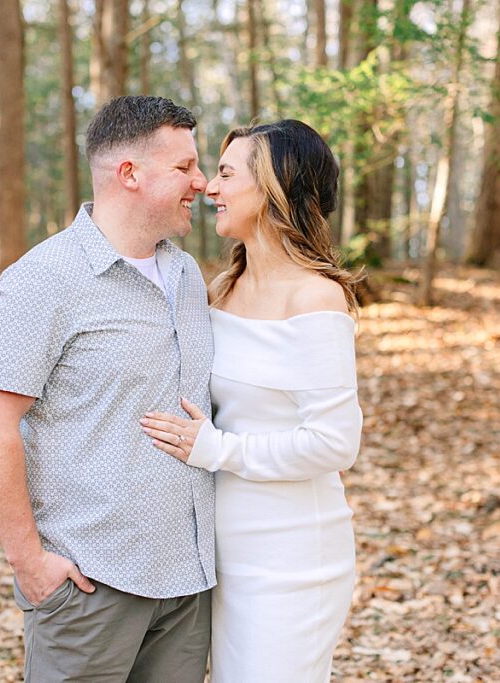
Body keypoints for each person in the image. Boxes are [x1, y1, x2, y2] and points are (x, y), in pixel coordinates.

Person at [0, 96, 215, 682]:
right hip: (91, 583)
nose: (201, 182)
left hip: (188, 581)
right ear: (130, 174)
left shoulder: (187, 274)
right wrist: (29, 563)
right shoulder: (42, 280)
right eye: (184, 167)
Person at [140, 119, 363, 682]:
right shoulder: (221, 291)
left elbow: (335, 443)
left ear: (273, 186)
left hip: (291, 558)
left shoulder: (315, 298)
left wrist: (217, 450)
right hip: (220, 555)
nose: (210, 187)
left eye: (226, 174)